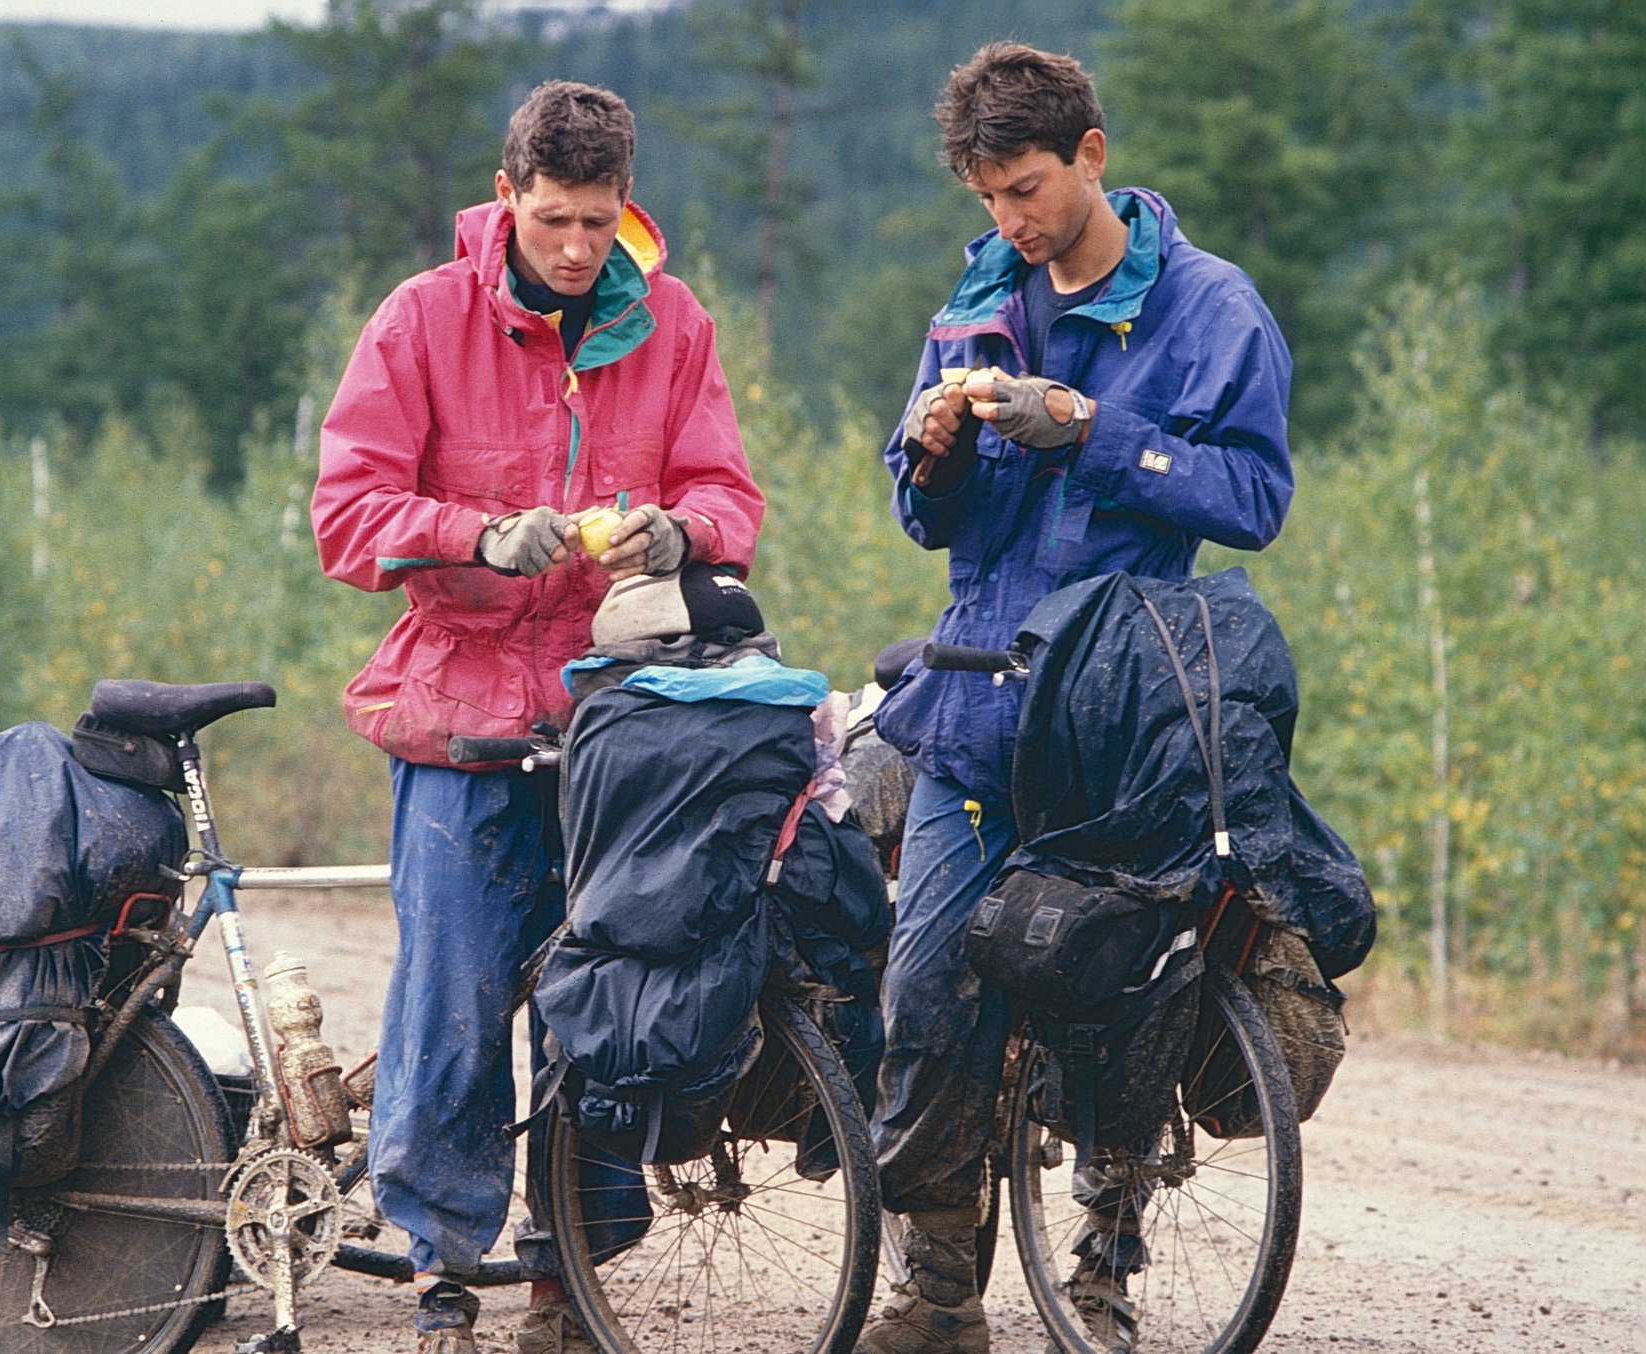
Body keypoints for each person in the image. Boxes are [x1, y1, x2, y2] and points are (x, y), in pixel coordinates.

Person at [311, 79, 764, 1354]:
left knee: (606, 994)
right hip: (460, 711)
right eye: (554, 219)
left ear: (628, 208)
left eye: (598, 222)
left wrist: (690, 529)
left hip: (620, 712)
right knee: (454, 996)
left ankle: (573, 1268)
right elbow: (345, 518)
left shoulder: (671, 323)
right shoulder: (419, 321)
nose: (575, 249)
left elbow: (727, 489)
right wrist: (473, 533)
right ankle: (441, 1267)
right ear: (506, 197)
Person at [863, 43, 1295, 1354]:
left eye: (1031, 187)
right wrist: (933, 456)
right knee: (927, 994)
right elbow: (917, 510)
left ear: (1093, 155)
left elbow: (1255, 502)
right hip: (974, 710)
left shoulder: (1213, 309)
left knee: (1129, 1002)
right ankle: (939, 1292)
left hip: (1123, 716)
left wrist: (1092, 426)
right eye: (989, 196)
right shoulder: (977, 298)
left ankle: (1102, 1279)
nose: (1013, 220)